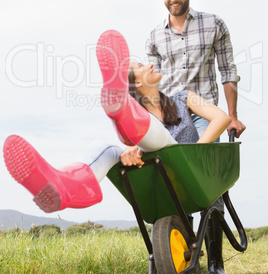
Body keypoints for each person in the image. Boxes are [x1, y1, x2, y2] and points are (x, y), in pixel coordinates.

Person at [3, 30, 230, 216]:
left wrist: (193, 152)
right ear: (138, 82)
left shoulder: (184, 97)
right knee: (110, 149)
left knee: (151, 138)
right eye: (141, 66)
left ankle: (122, 110)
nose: (150, 65)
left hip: (190, 174)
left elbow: (222, 118)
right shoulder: (143, 130)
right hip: (162, 183)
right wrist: (132, 151)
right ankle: (67, 185)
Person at [145, 0, 246, 274]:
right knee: (174, 183)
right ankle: (182, 255)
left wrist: (233, 115)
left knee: (207, 184)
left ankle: (215, 263)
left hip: (206, 115)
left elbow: (228, 71)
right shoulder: (154, 37)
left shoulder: (213, 24)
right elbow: (152, 86)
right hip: (172, 115)